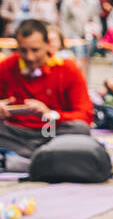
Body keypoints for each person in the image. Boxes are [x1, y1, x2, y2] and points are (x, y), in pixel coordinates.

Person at [0, 19, 97, 173]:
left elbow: (85, 115)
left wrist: (49, 114)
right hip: (15, 134)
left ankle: (23, 160)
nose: (30, 57)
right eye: (23, 50)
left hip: (52, 132)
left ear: (47, 44)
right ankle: (42, 158)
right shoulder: (7, 66)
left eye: (35, 50)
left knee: (80, 128)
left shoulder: (67, 68)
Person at [59, 0, 101, 72]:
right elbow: (64, 19)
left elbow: (95, 17)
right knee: (79, 57)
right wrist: (65, 36)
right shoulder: (68, 1)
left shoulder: (92, 1)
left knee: (87, 59)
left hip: (89, 33)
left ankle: (85, 81)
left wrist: (98, 32)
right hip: (74, 34)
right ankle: (79, 78)